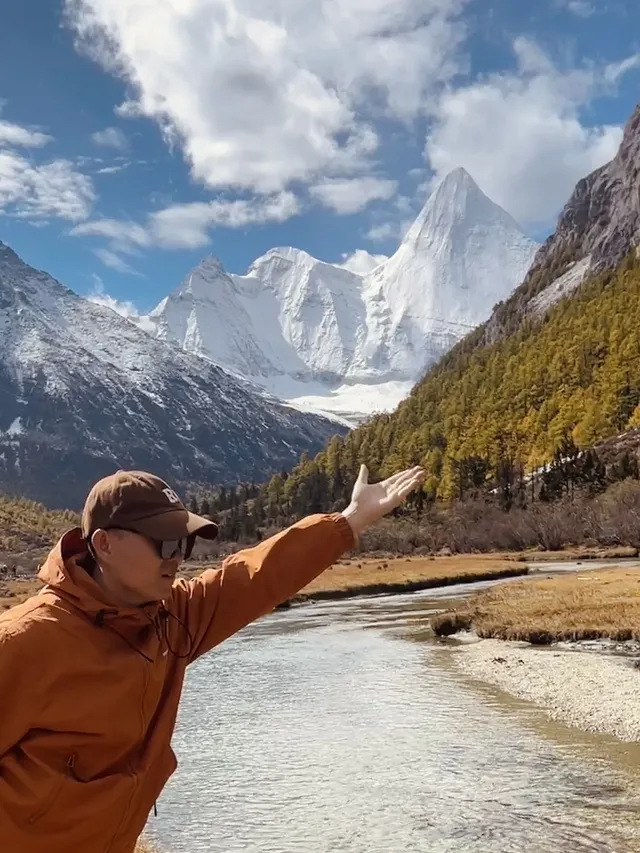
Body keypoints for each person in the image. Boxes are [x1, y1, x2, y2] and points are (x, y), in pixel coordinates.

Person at [0, 464, 424, 853]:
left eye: (183, 542)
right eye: (164, 542)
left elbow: (254, 578)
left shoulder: (171, 617)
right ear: (105, 545)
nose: (177, 558)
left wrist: (350, 520)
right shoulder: (26, 641)